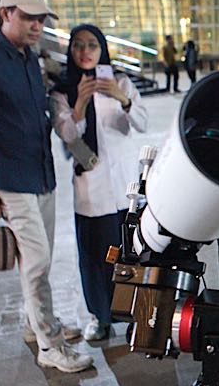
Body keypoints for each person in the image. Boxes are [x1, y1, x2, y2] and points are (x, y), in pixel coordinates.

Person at [0, 0, 92, 373]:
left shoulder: (30, 59)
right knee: (38, 263)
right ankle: (50, 345)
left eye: (41, 19)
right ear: (5, 14)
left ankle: (35, 322)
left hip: (41, 175)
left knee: (36, 261)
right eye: (28, 17)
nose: (36, 25)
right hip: (9, 180)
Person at [50, 24, 148, 340]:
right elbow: (67, 136)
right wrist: (79, 104)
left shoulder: (119, 81)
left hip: (125, 189)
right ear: (71, 51)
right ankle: (100, 317)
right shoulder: (61, 92)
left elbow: (142, 123)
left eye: (92, 44)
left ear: (102, 48)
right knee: (95, 258)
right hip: (91, 193)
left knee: (130, 254)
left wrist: (122, 98)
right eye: (78, 45)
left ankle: (134, 313)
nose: (86, 51)